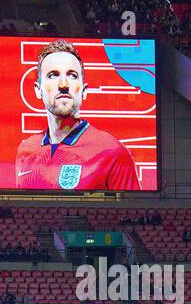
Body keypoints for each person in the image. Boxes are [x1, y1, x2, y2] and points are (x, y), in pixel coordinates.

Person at [14, 40, 138, 191]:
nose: (64, 84)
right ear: (38, 90)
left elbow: (130, 212)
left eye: (72, 75)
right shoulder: (25, 150)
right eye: (53, 75)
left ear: (84, 90)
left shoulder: (113, 152)